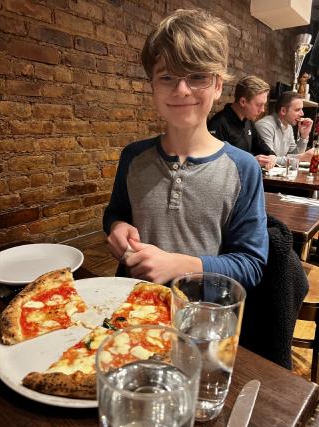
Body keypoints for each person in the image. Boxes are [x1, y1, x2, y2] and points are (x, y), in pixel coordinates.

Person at [103, 9, 268, 289]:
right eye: (167, 77)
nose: (181, 89)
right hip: (132, 306)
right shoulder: (133, 157)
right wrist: (117, 226)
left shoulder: (243, 168)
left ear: (217, 85)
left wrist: (182, 265)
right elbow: (115, 212)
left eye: (197, 77)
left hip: (200, 316)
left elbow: (251, 264)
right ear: (152, 85)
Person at [207, 75, 277, 170]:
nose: (263, 110)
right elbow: (215, 164)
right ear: (243, 101)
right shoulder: (219, 123)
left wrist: (272, 155)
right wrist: (250, 161)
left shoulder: (248, 120)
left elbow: (261, 145)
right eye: (259, 105)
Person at [255, 91, 314, 165]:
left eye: (301, 109)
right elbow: (269, 160)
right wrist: (301, 157)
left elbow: (294, 154)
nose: (302, 114)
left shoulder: (288, 127)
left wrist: (304, 137)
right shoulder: (265, 126)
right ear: (283, 111)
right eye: (297, 110)